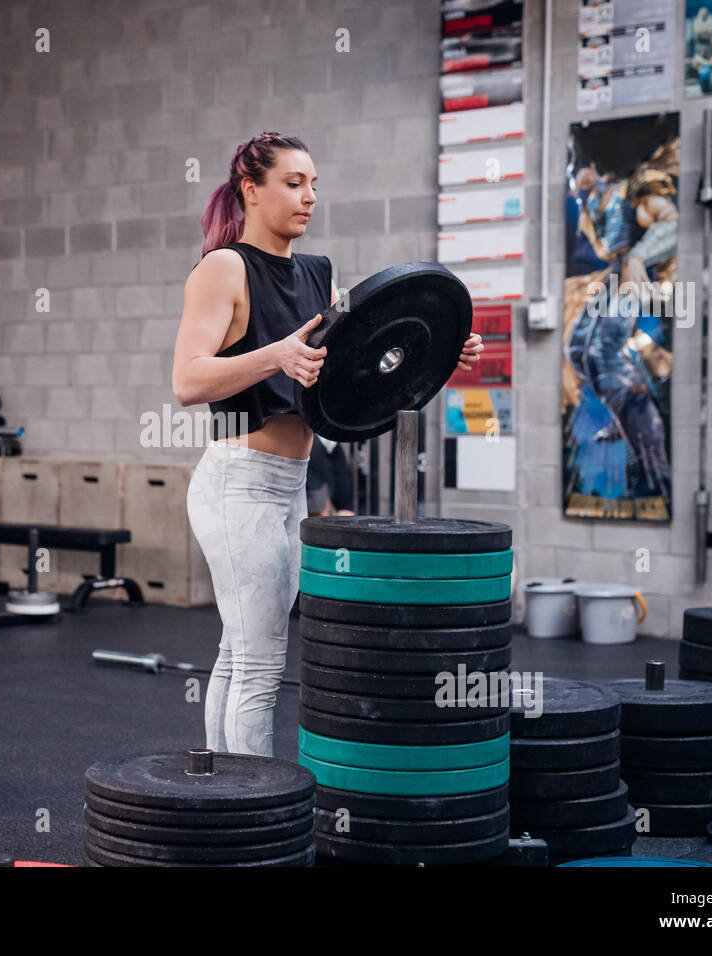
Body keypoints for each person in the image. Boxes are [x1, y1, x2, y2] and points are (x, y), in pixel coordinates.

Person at [171, 132, 483, 757]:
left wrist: (442, 350)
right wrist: (277, 355)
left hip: (291, 485)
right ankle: (252, 816)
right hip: (236, 480)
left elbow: (365, 365)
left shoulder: (319, 273)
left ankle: (219, 795)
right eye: (293, 183)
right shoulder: (223, 267)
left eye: (314, 184)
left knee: (240, 651)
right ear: (250, 190)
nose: (309, 197)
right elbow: (187, 380)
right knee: (261, 663)